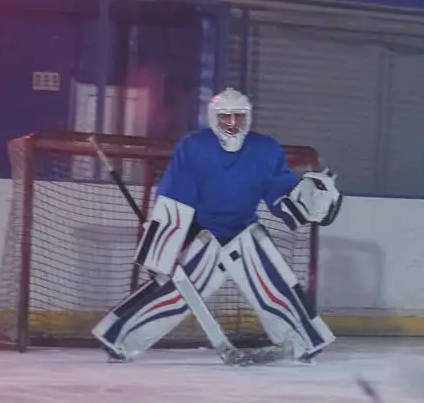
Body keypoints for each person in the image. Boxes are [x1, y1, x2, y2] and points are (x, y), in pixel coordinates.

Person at [93, 88, 342, 363]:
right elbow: (176, 196)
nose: (233, 124)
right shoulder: (194, 146)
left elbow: (279, 194)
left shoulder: (265, 149)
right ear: (214, 119)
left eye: (239, 117)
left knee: (275, 283)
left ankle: (303, 340)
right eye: (226, 118)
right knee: (175, 291)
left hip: (243, 232)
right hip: (203, 233)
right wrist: (162, 249)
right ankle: (120, 336)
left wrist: (306, 203)